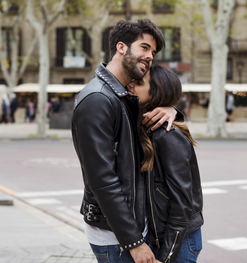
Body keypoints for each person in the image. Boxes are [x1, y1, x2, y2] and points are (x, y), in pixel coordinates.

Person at [71, 19, 180, 263]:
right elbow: (103, 181)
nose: (150, 56)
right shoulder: (98, 100)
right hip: (117, 238)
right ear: (121, 47)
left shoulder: (122, 94)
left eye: (152, 52)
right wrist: (134, 243)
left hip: (128, 229)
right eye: (144, 47)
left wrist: (171, 109)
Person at [128, 65, 203, 263]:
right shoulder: (147, 128)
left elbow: (182, 203)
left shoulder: (168, 136)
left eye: (138, 83)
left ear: (156, 92)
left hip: (178, 240)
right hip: (160, 235)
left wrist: (168, 256)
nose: (130, 86)